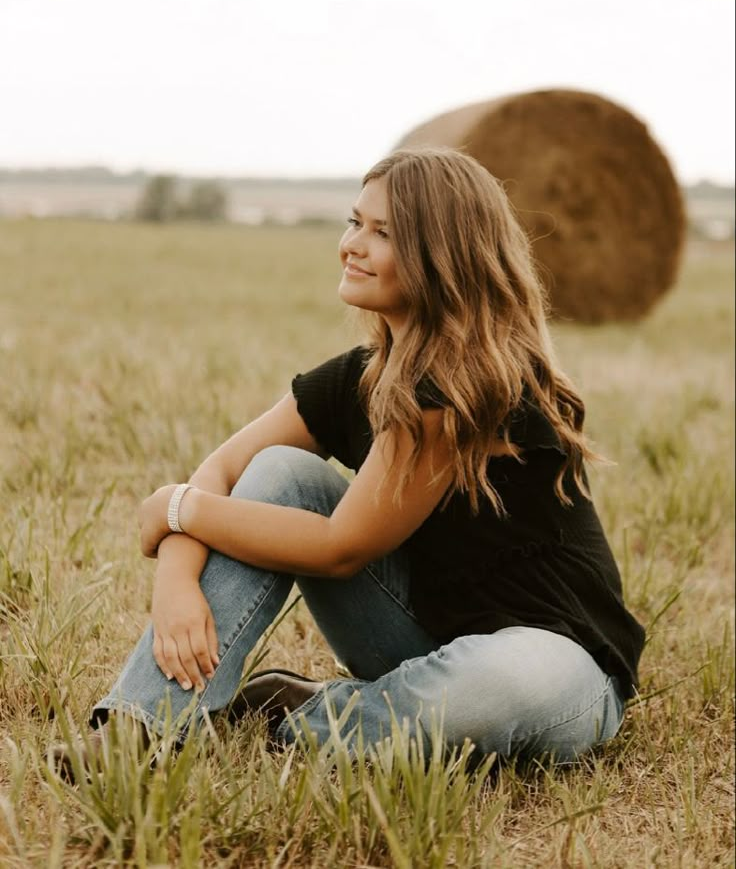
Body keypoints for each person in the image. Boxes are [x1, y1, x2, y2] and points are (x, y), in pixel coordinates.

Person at [58, 148, 645, 773]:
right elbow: (224, 472)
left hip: (556, 664)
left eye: (383, 232)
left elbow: (341, 547)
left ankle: (304, 717)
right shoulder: (356, 380)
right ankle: (139, 726)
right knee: (282, 472)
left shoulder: (473, 389)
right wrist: (175, 576)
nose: (351, 245)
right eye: (354, 221)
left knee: (484, 689)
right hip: (418, 636)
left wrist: (177, 508)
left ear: (442, 254)